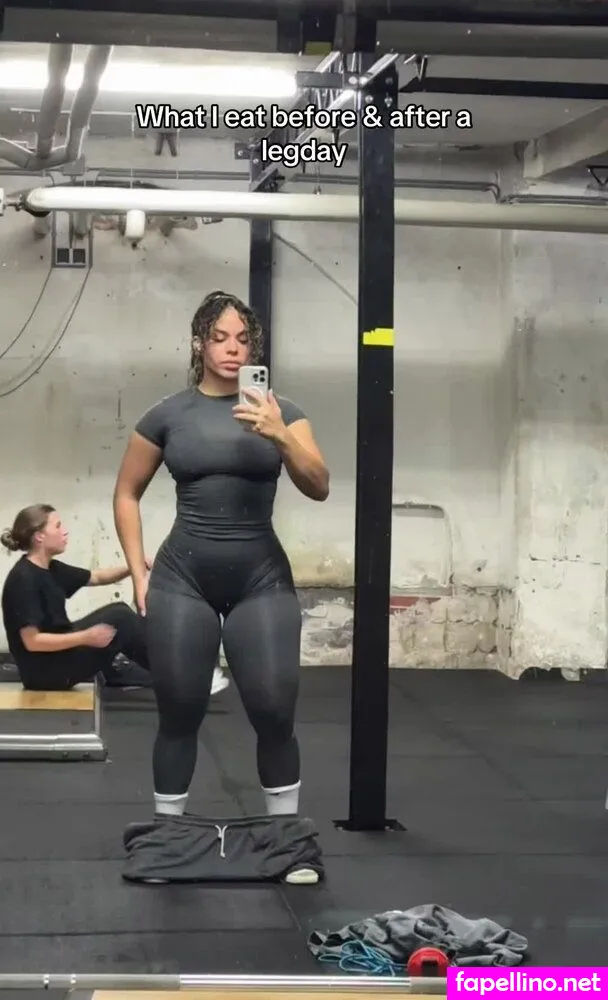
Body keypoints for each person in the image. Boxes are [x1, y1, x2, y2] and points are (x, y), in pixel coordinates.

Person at [113, 289, 330, 830]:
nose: (233, 349)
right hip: (182, 579)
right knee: (179, 712)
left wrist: (279, 435)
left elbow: (319, 485)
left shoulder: (284, 413)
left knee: (274, 711)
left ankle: (284, 838)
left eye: (242, 339)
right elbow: (126, 493)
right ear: (199, 344)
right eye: (220, 338)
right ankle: (168, 837)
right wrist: (138, 572)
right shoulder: (168, 415)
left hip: (261, 578)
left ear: (253, 347)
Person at [1, 503, 151, 691]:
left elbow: (97, 577)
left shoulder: (51, 569)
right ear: (39, 536)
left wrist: (134, 567)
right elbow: (32, 642)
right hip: (44, 673)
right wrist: (85, 637)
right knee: (121, 618)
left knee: (119, 610)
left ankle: (120, 670)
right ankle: (170, 670)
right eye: (57, 526)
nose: (65, 531)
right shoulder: (23, 579)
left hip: (56, 658)